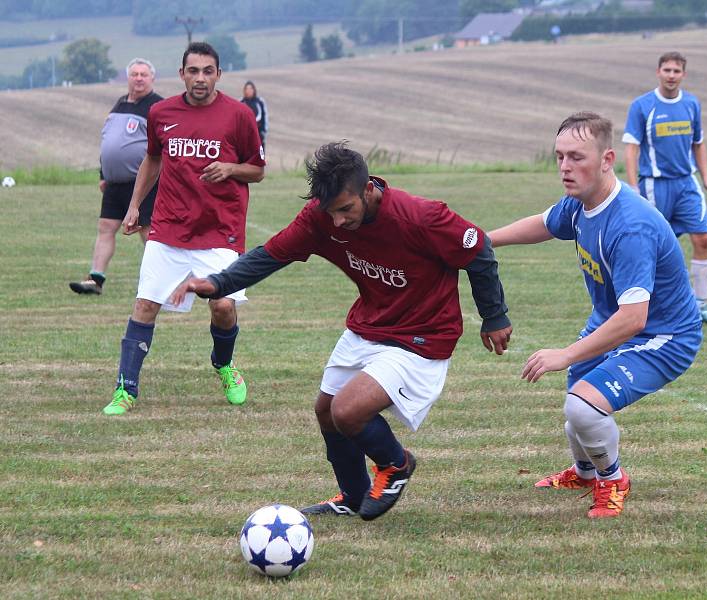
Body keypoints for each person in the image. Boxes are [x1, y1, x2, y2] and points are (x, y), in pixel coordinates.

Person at [170, 142, 513, 521]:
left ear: (369, 189)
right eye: (330, 211)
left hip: (422, 338)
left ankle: (396, 465)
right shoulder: (321, 217)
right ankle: (352, 496)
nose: (337, 221)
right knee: (327, 412)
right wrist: (218, 283)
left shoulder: (421, 216)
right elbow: (272, 254)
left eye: (345, 209)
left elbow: (478, 249)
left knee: (347, 411)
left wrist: (494, 316)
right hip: (369, 325)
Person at [489, 112, 702, 518]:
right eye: (559, 157)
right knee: (579, 402)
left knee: (584, 406)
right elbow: (544, 224)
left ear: (607, 160)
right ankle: (585, 472)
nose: (565, 168)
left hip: (663, 336)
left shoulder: (630, 226)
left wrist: (567, 353)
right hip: (613, 321)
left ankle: (613, 480)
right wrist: (484, 242)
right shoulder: (580, 203)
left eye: (577, 157)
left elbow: (635, 319)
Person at [102, 42, 266, 416]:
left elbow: (257, 170)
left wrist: (230, 169)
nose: (200, 78)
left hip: (219, 229)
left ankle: (224, 364)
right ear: (182, 75)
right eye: (193, 71)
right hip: (168, 227)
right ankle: (125, 390)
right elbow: (152, 159)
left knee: (223, 306)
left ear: (218, 75)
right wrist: (133, 207)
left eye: (208, 71)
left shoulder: (238, 116)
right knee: (145, 304)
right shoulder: (161, 113)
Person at [623, 51, 707, 324]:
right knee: (652, 247)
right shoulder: (642, 106)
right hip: (655, 186)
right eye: (666, 70)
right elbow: (631, 148)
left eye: (676, 71)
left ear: (683, 75)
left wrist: (706, 178)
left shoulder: (692, 104)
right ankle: (648, 306)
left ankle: (700, 306)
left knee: (703, 238)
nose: (671, 75)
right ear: (658, 72)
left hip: (686, 184)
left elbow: (698, 143)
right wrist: (633, 187)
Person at [69, 58, 163, 295]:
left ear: (152, 78)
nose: (139, 78)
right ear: (128, 77)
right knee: (105, 227)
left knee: (146, 230)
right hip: (114, 183)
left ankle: (161, 281)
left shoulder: (158, 107)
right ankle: (96, 279)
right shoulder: (120, 104)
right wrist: (104, 173)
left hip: (143, 182)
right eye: (134, 74)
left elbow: (164, 147)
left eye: (144, 74)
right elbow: (109, 141)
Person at [241, 80, 268, 147]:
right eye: (246, 89)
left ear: (254, 90)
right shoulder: (240, 102)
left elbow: (265, 116)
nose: (248, 90)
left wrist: (263, 132)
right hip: (244, 137)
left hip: (258, 135)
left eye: (250, 88)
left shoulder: (260, 102)